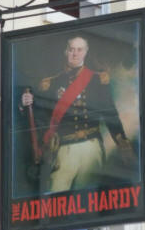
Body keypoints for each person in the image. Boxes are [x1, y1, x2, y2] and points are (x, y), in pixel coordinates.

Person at [21, 36, 135, 192]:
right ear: (65, 52)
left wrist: (122, 143)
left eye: (79, 50)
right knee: (56, 198)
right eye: (71, 49)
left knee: (86, 202)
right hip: (63, 149)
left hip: (91, 147)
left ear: (85, 52)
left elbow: (110, 113)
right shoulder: (51, 83)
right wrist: (26, 103)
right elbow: (41, 117)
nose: (75, 54)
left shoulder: (97, 80)